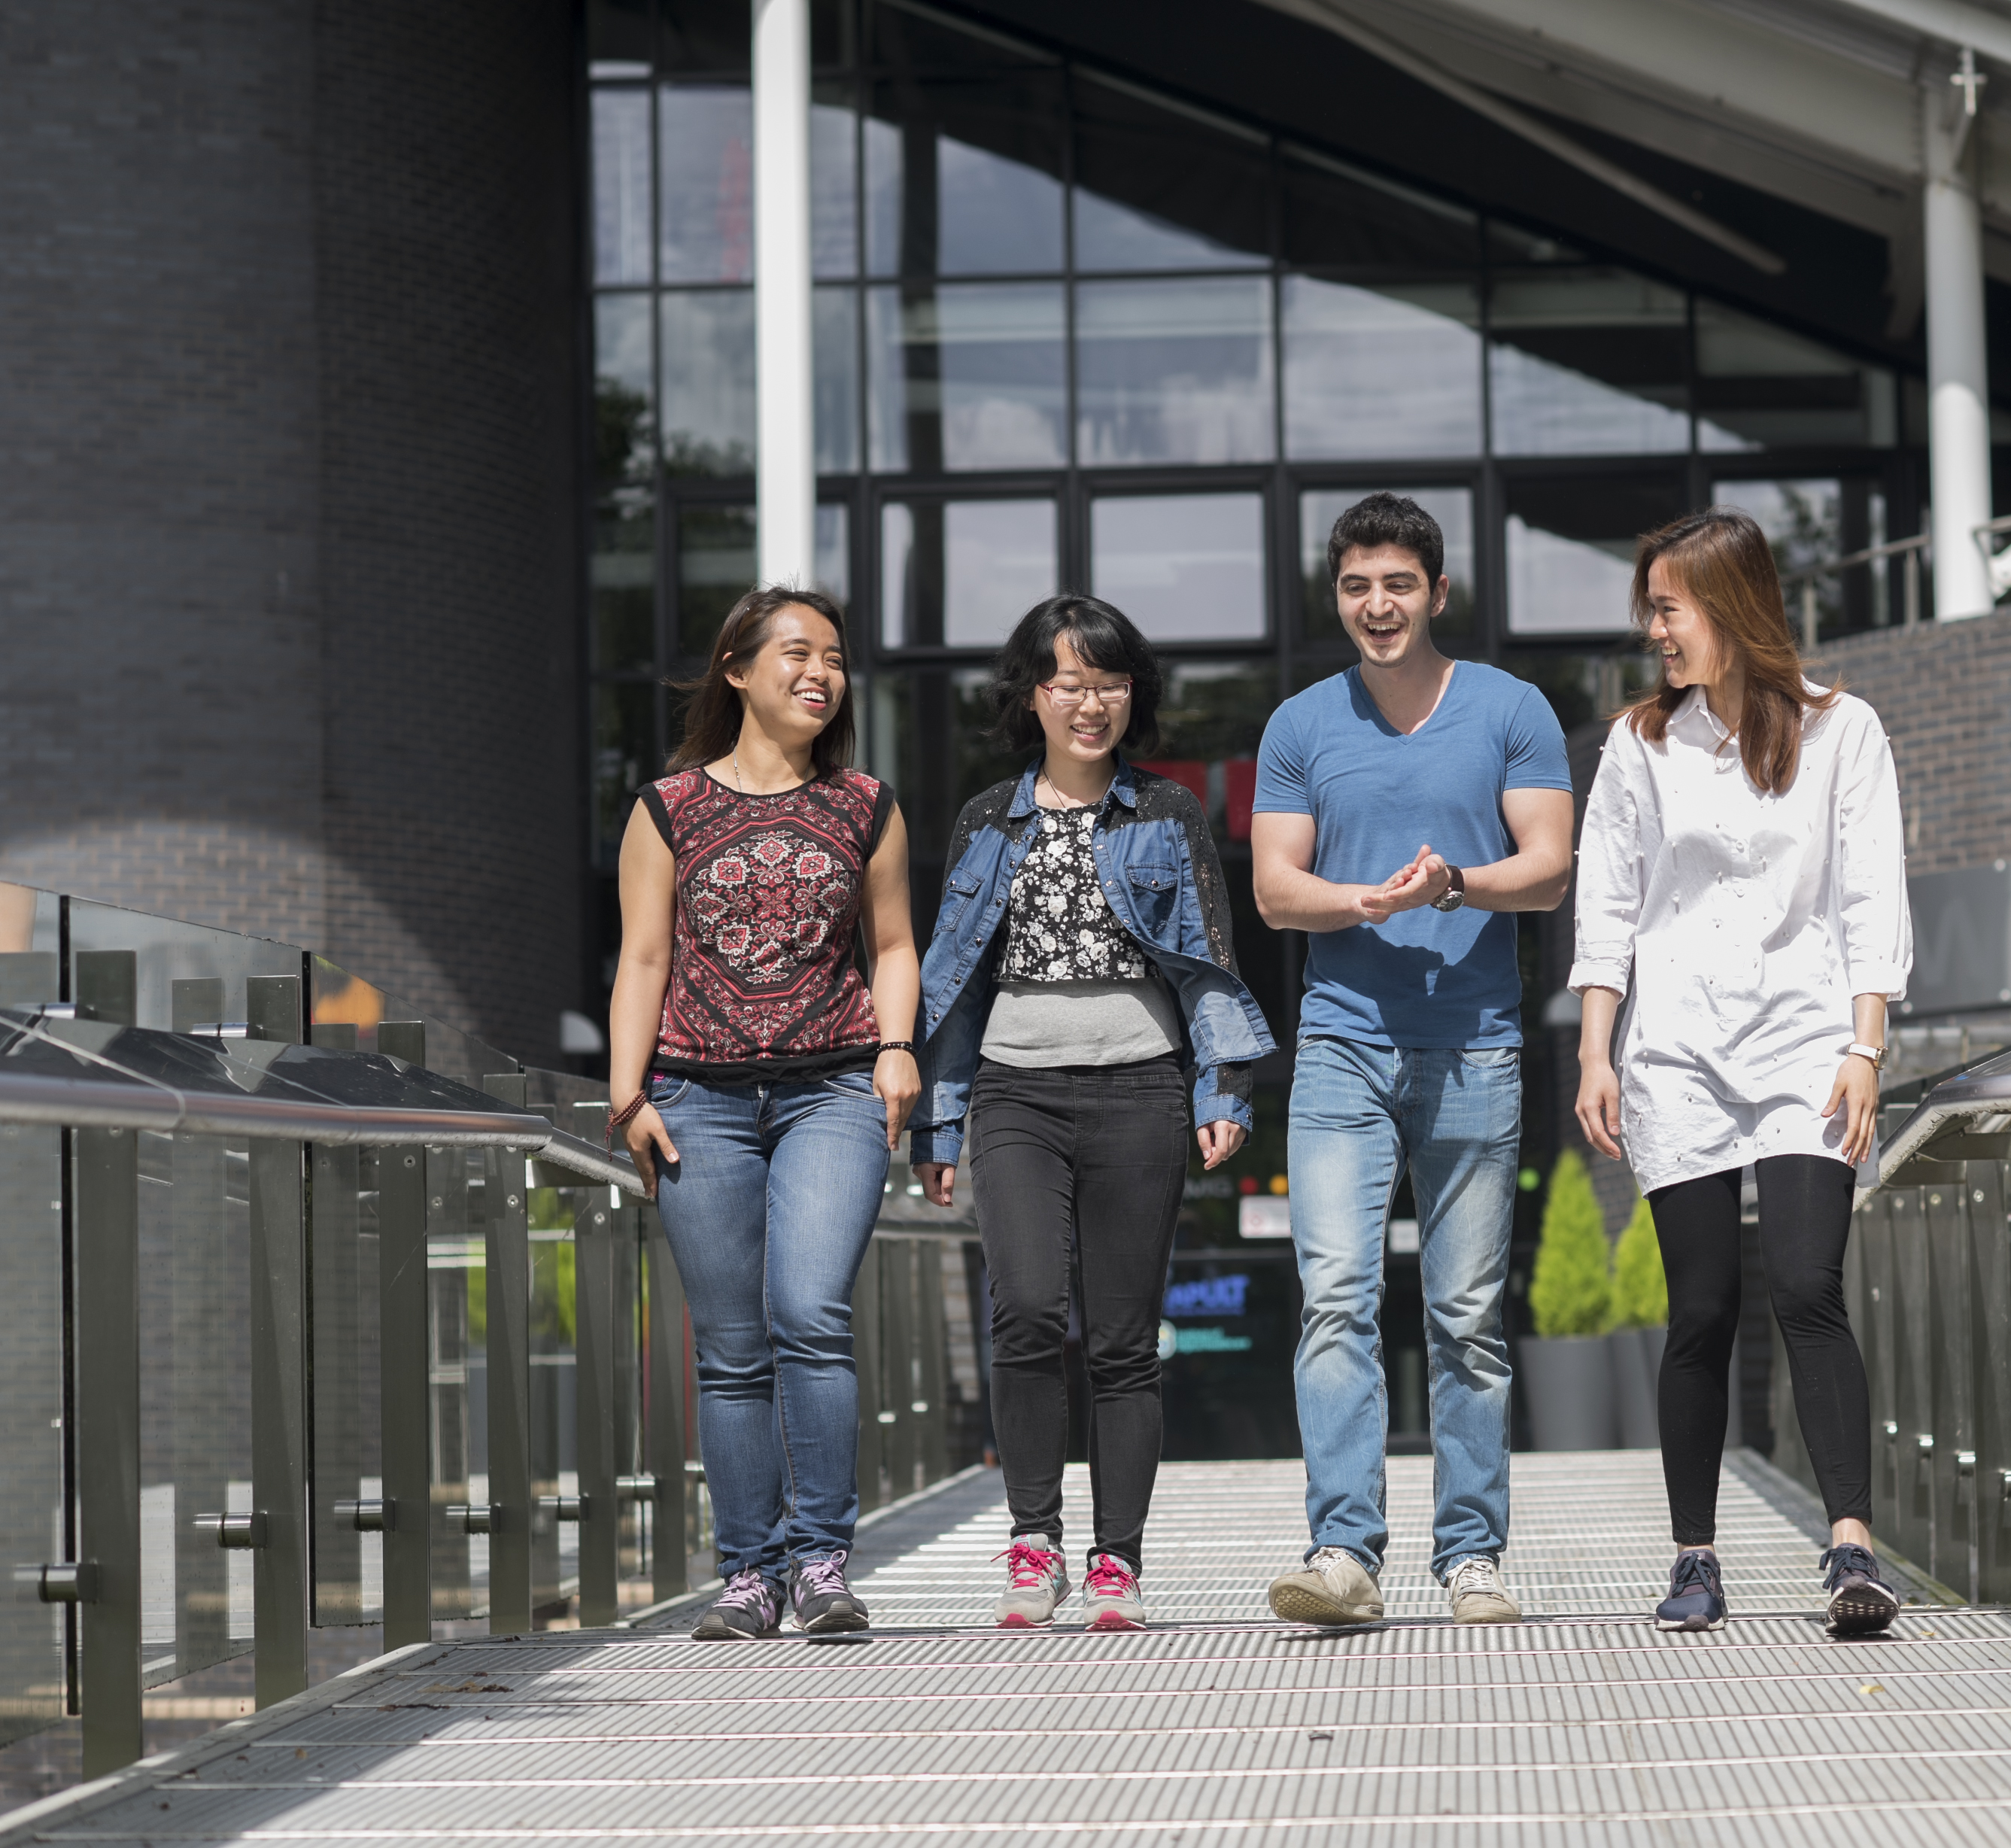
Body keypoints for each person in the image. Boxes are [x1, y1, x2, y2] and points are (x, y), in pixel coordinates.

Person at [1568, 506, 1912, 1640]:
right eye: (1651, 610)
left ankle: (1851, 1547)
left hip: (1807, 1043)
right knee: (1702, 1308)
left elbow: (1871, 893)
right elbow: (1610, 903)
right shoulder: (1640, 742)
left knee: (1808, 1285)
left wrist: (1866, 1046)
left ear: (1729, 606)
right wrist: (1595, 1049)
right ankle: (1695, 1557)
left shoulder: (1840, 729)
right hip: (1673, 1050)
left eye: (1668, 608)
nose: (1655, 630)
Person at [917, 594, 1274, 1631]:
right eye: (1069, 682)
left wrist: (1223, 1089)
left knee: (1121, 1335)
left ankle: (1117, 1557)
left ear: (1133, 695)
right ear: (1032, 695)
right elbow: (954, 985)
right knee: (1025, 1307)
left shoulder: (1166, 813)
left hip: (1141, 1090)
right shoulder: (989, 820)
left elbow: (1210, 959)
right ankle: (1035, 1540)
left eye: (1108, 683)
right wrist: (939, 1125)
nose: (1090, 703)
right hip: (1015, 1090)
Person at [1251, 494, 1575, 1626]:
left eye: (1397, 584)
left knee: (1466, 1314)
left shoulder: (1510, 708)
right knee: (1335, 1299)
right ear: (1334, 596)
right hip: (1342, 1047)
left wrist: (1457, 885)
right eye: (1355, 586)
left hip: (1476, 1046)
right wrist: (1365, 900)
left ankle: (1471, 1556)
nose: (1376, 605)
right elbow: (1274, 890)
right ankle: (1345, 1554)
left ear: (1438, 593)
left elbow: (1548, 867)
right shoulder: (1301, 724)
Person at [609, 586, 917, 1641]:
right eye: (794, 653)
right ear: (737, 669)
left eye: (832, 656)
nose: (818, 673)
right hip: (698, 1096)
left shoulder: (865, 805)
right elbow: (643, 956)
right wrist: (628, 1093)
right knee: (732, 1347)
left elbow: (891, 947)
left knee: (811, 1316)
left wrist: (897, 1050)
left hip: (834, 1087)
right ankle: (748, 1574)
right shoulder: (667, 808)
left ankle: (822, 1563)